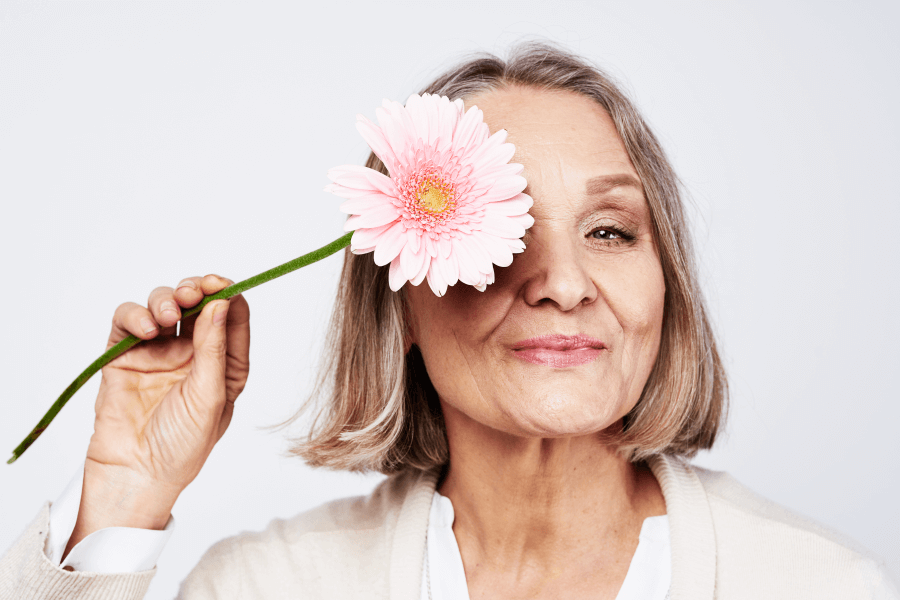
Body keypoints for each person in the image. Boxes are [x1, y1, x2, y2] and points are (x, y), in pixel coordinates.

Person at [1, 42, 897, 600]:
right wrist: (124, 498)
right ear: (403, 303)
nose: (563, 284)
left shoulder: (821, 588)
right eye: (505, 238)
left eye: (611, 231)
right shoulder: (266, 587)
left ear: (668, 289)